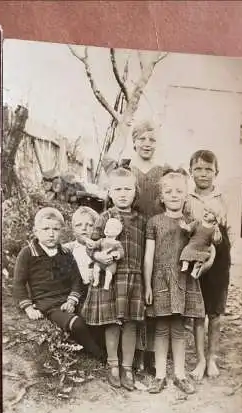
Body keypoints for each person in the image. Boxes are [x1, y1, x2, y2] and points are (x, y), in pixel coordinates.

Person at [105, 120, 170, 373]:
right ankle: (134, 352)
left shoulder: (163, 171)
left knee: (153, 290)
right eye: (142, 139)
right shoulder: (125, 169)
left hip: (155, 235)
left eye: (152, 140)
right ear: (133, 141)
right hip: (130, 236)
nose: (147, 144)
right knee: (133, 291)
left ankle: (152, 351)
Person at [13, 207, 105, 363]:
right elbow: (19, 283)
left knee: (93, 316)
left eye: (55, 229)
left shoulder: (66, 253)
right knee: (77, 324)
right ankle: (100, 356)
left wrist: (72, 299)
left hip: (67, 299)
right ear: (36, 231)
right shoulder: (28, 253)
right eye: (46, 229)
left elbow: (76, 281)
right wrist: (28, 307)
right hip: (48, 303)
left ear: (62, 230)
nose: (51, 233)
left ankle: (107, 350)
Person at [144, 168, 207, 395]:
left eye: (179, 191)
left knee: (179, 329)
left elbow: (202, 247)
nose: (173, 195)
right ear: (161, 196)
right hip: (160, 279)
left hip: (183, 280)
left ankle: (179, 375)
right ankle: (160, 376)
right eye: (168, 191)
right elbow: (148, 256)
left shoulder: (191, 223)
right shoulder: (154, 222)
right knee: (161, 328)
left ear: (185, 195)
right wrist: (148, 285)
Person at [82, 167, 146, 391]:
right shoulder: (104, 217)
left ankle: (128, 368)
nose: (122, 193)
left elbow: (146, 252)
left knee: (130, 323)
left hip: (133, 279)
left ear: (135, 192)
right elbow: (91, 244)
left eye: (127, 189)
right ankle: (113, 366)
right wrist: (96, 255)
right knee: (112, 322)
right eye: (117, 189)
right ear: (109, 192)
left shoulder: (141, 220)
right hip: (111, 276)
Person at [186, 150, 232, 380]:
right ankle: (200, 359)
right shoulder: (186, 199)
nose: (203, 174)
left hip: (219, 262)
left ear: (216, 172)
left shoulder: (224, 200)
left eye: (208, 170)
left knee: (214, 313)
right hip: (196, 261)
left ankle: (212, 357)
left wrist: (218, 240)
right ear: (190, 171)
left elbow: (230, 234)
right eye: (198, 169)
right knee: (197, 313)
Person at [180, 206, 222, 278]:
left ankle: (195, 271)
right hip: (192, 246)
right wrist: (185, 227)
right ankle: (185, 266)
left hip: (204, 249)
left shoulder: (213, 229)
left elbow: (216, 240)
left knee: (200, 261)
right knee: (186, 251)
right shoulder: (198, 222)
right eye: (205, 210)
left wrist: (217, 230)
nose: (206, 213)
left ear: (215, 218)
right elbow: (190, 228)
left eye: (210, 213)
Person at [63, 206, 99, 290]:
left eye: (90, 225)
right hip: (72, 291)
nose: (84, 228)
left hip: (94, 291)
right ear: (73, 230)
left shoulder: (100, 248)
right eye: (78, 225)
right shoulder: (67, 249)